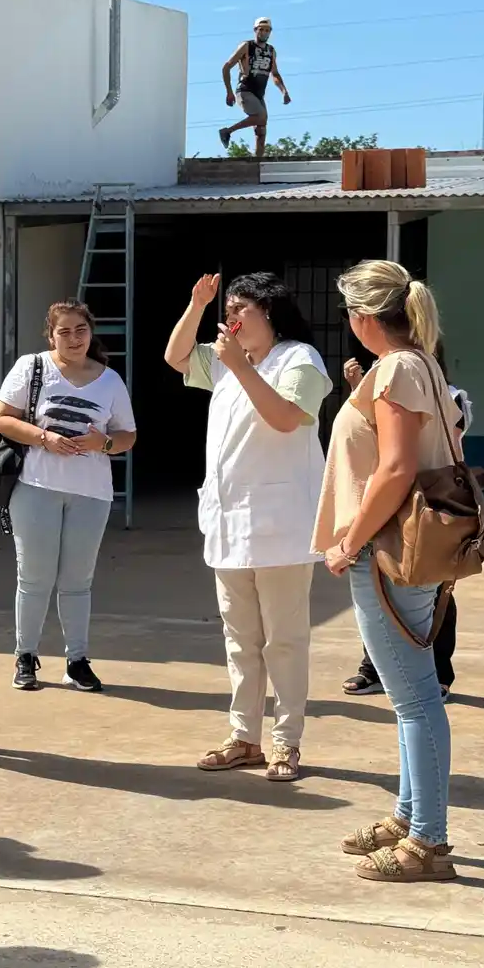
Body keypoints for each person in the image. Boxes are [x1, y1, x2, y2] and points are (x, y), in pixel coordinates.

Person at [315, 259, 460, 883]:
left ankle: (427, 842)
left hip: (387, 552)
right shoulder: (418, 363)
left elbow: (397, 468)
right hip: (399, 549)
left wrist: (349, 539)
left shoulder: (398, 368)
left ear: (363, 317)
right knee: (410, 697)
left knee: (415, 700)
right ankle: (410, 816)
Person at [165, 272, 332, 782]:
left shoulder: (300, 359)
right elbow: (175, 356)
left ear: (270, 314)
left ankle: (287, 742)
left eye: (243, 309)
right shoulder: (224, 361)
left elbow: (286, 418)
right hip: (228, 523)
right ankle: (245, 737)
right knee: (240, 641)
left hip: (280, 524)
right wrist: (196, 305)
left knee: (284, 639)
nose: (231, 319)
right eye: (228, 309)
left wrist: (239, 367)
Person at [0, 300, 138, 694]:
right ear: (50, 335)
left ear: (91, 332)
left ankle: (77, 660)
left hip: (91, 493)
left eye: (81, 330)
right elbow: (1, 418)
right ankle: (26, 655)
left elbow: (128, 435)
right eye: (64, 332)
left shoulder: (109, 379)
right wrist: (44, 438)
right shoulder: (32, 367)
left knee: (78, 580)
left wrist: (102, 443)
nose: (74, 339)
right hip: (36, 487)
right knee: (34, 577)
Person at [341, 344, 473, 703]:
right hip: (390, 502)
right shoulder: (385, 387)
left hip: (431, 508)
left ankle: (439, 673)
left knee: (437, 593)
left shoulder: (452, 397)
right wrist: (359, 387)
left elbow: (435, 450)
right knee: (378, 592)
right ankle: (374, 668)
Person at [219, 16, 292, 155]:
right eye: (261, 29)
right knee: (261, 116)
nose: (264, 33)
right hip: (245, 89)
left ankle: (258, 163)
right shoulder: (247, 46)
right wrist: (229, 92)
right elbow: (226, 67)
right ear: (255, 30)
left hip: (259, 93)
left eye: (267, 30)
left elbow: (274, 73)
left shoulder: (271, 51)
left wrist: (284, 91)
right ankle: (227, 131)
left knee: (261, 129)